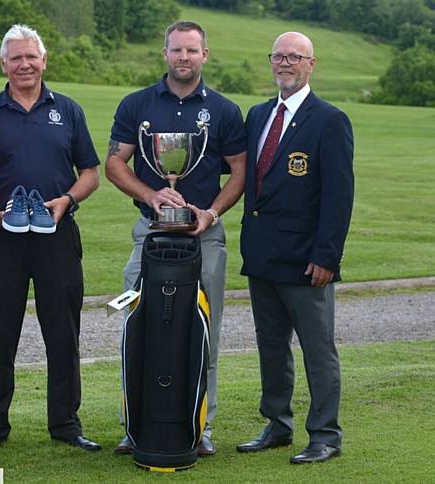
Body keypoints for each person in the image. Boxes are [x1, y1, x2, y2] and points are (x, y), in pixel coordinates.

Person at [105, 20, 247, 456]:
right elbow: (114, 164)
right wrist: (151, 195)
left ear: (205, 55)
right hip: (149, 235)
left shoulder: (223, 111)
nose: (183, 57)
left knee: (206, 329)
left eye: (191, 50)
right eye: (176, 50)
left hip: (204, 237)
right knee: (135, 319)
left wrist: (210, 213)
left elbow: (240, 172)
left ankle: (200, 426)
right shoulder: (137, 103)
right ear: (164, 53)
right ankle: (136, 424)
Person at [0, 24, 101, 454]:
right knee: (0, 333)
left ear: (43, 61)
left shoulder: (68, 109)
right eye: (15, 58)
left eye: (31, 57)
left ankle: (65, 424)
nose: (24, 64)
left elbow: (90, 174)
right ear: (3, 64)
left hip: (56, 235)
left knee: (63, 333)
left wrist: (65, 200)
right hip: (3, 238)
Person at [236, 32, 354, 464]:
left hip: (307, 262)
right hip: (263, 257)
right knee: (270, 346)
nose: (284, 63)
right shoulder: (258, 114)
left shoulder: (330, 119)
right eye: (278, 56)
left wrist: (327, 256)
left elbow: (339, 197)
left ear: (311, 64)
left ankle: (325, 434)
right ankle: (277, 424)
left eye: (294, 57)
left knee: (318, 351)